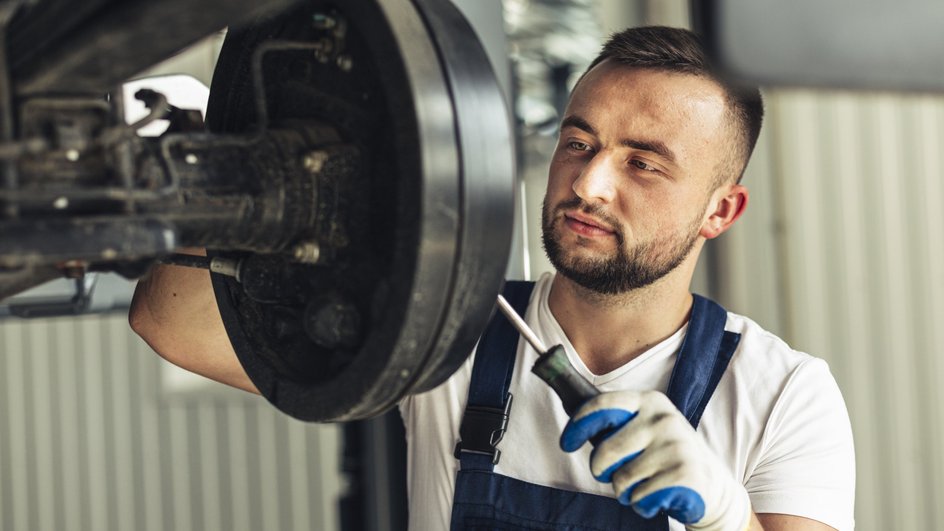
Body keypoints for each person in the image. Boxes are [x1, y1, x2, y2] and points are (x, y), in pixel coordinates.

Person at [130, 26, 855, 531]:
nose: (590, 182)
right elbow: (171, 322)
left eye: (643, 162)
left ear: (720, 209)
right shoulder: (449, 325)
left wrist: (727, 515)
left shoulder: (782, 393)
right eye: (579, 141)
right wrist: (229, 181)